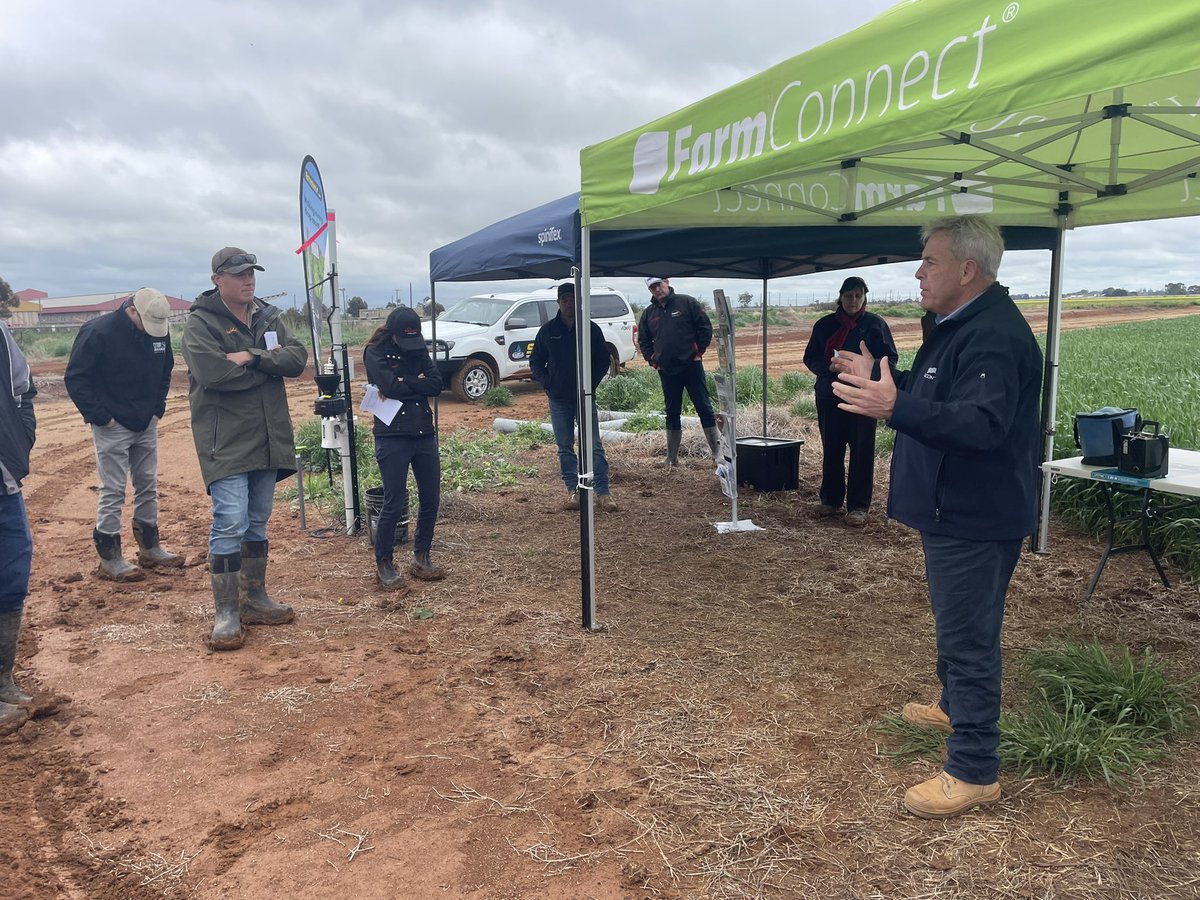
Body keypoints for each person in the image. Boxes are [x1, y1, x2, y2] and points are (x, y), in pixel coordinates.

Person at [831, 215, 1042, 819]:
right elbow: (943, 403)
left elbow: (982, 424)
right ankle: (954, 704)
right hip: (955, 508)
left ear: (967, 270)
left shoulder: (992, 335)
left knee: (969, 637)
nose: (918, 273)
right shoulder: (957, 326)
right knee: (959, 625)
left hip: (974, 514)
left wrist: (893, 404)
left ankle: (974, 768)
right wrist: (886, 384)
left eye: (930, 262)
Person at [182, 247, 308, 651]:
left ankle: (254, 598)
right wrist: (266, 369)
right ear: (218, 278)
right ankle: (226, 613)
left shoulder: (269, 316)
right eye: (238, 274)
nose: (248, 280)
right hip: (226, 442)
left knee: (257, 520)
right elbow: (213, 373)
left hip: (268, 438)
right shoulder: (201, 324)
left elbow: (296, 358)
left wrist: (252, 358)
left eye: (251, 273)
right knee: (230, 522)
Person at [65, 288, 181, 580]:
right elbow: (76, 378)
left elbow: (166, 370)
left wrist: (157, 409)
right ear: (132, 311)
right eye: (147, 324)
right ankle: (110, 554)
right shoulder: (98, 332)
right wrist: (102, 418)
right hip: (112, 426)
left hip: (146, 422)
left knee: (147, 485)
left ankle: (150, 547)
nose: (153, 331)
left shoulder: (158, 332)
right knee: (113, 489)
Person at [803, 276, 897, 526]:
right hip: (829, 393)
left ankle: (858, 506)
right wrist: (828, 367)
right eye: (848, 296)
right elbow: (810, 357)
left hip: (863, 396)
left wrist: (867, 370)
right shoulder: (824, 325)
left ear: (864, 297)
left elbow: (890, 359)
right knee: (832, 448)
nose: (853, 301)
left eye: (858, 295)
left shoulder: (875, 325)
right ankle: (831, 500)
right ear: (840, 297)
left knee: (862, 450)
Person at [364, 306, 447, 588]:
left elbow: (436, 384)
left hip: (424, 431)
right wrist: (415, 383)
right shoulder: (375, 351)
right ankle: (384, 562)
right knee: (394, 500)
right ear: (393, 333)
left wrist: (404, 382)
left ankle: (421, 556)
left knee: (430, 497)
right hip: (392, 435)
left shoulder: (418, 348)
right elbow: (389, 387)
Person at [530, 282, 617, 511]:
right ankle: (573, 490)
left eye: (572, 299)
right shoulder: (548, 330)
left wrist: (591, 384)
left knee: (594, 445)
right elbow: (536, 362)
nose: (569, 304)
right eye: (564, 300)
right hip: (559, 399)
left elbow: (602, 360)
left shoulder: (590, 329)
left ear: (579, 302)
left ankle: (603, 492)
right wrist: (548, 383)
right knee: (565, 446)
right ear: (558, 302)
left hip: (585, 397)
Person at [637, 276, 719, 465]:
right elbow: (644, 340)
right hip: (667, 370)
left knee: (704, 408)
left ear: (667, 282)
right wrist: (653, 361)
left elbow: (705, 327)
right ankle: (672, 458)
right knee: (672, 412)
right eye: (653, 288)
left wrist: (699, 352)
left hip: (691, 366)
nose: (657, 289)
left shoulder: (687, 302)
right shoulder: (649, 313)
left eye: (659, 284)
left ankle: (717, 454)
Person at [0, 321, 36, 734]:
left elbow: (23, 389)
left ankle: (3, 679)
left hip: (3, 477)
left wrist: (19, 442)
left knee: (12, 572)